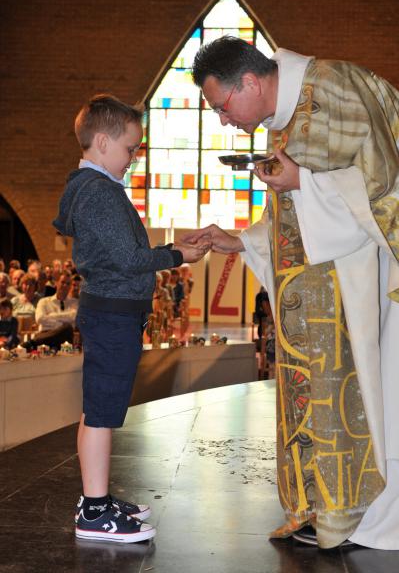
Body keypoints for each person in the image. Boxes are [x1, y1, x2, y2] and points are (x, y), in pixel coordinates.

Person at [182, 36, 399, 550]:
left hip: (365, 291)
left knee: (369, 403)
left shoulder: (337, 89)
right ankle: (325, 509)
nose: (223, 120)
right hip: (316, 304)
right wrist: (239, 241)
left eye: (222, 106)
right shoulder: (284, 118)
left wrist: (303, 181)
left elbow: (385, 188)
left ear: (251, 82)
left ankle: (367, 514)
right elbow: (294, 221)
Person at [53, 93, 209, 544]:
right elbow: (127, 259)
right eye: (130, 149)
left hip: (112, 312)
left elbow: (123, 249)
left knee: (99, 410)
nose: (134, 158)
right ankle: (95, 514)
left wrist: (172, 245)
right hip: (113, 314)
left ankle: (94, 499)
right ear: (102, 142)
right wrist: (178, 254)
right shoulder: (99, 192)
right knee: (102, 413)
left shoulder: (95, 188)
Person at [33, 273, 78, 349]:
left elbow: (74, 317)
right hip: (46, 335)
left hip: (65, 339)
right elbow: (39, 318)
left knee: (67, 328)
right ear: (57, 283)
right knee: (66, 326)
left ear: (70, 286)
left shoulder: (75, 303)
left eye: (68, 284)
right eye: (62, 282)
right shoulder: (44, 301)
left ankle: (32, 342)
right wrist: (61, 324)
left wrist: (51, 316)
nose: (65, 286)